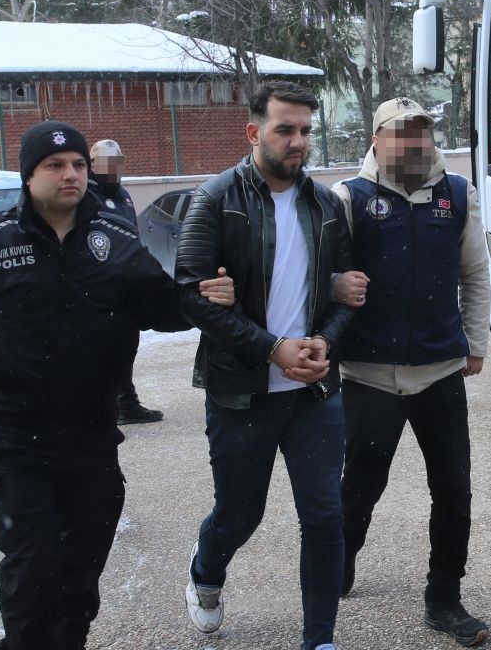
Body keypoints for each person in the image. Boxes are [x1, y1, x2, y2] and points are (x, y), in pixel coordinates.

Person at [0, 120, 234, 650]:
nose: (71, 174)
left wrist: (203, 298)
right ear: (28, 175)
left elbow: (160, 306)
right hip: (12, 431)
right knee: (32, 569)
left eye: (78, 164)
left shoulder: (116, 239)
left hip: (91, 431)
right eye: (55, 165)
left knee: (81, 573)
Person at [175, 81, 356, 650]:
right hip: (242, 392)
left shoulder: (326, 205)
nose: (298, 141)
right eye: (285, 129)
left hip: (314, 394)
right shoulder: (215, 198)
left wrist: (324, 343)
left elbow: (346, 294)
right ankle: (205, 571)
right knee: (239, 514)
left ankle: (319, 640)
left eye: (306, 130)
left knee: (324, 517)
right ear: (254, 132)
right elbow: (190, 295)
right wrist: (271, 347)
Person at [331, 98, 491, 647]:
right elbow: (323, 275)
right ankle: (341, 561)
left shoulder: (458, 194)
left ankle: (444, 598)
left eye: (421, 133)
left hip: (439, 371)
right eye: (400, 134)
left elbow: (475, 274)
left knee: (453, 490)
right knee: (359, 488)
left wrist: (475, 343)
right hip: (369, 373)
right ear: (377, 141)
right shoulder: (348, 198)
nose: (413, 144)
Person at [88, 138, 163, 425]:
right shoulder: (86, 196)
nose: (112, 168)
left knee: (126, 344)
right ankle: (104, 406)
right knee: (103, 348)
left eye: (117, 162)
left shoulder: (123, 194)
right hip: (100, 284)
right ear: (92, 165)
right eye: (105, 162)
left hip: (127, 283)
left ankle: (126, 403)